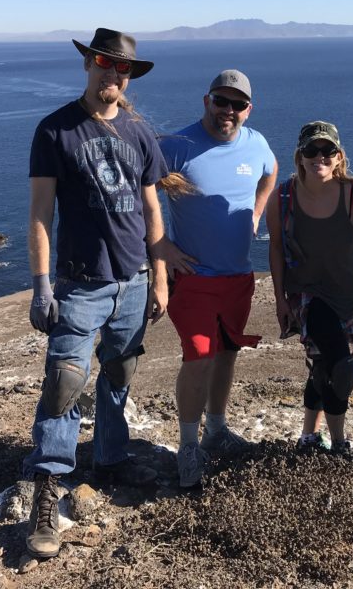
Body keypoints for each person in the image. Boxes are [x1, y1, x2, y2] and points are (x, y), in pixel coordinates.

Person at [23, 28, 170, 560]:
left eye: (122, 68)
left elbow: (152, 208)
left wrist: (161, 275)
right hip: (81, 282)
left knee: (119, 375)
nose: (112, 74)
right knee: (64, 381)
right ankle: (46, 490)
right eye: (104, 64)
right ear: (88, 65)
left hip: (133, 280)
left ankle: (110, 459)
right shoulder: (55, 130)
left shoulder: (137, 130)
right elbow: (41, 213)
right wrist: (41, 286)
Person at [158, 69, 278, 488]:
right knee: (199, 357)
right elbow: (136, 194)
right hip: (192, 278)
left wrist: (258, 211)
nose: (229, 110)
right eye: (221, 101)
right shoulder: (175, 146)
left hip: (238, 277)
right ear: (206, 100)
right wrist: (161, 246)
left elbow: (271, 171)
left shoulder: (256, 143)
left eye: (238, 104)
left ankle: (216, 430)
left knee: (227, 353)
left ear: (249, 109)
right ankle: (188, 446)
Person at [267, 121, 353, 453]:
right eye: (311, 151)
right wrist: (280, 299)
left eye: (327, 151)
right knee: (340, 365)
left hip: (347, 294)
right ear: (300, 156)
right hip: (307, 295)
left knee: (323, 366)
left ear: (339, 156)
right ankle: (340, 443)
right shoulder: (283, 197)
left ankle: (308, 437)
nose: (319, 157)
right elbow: (274, 249)